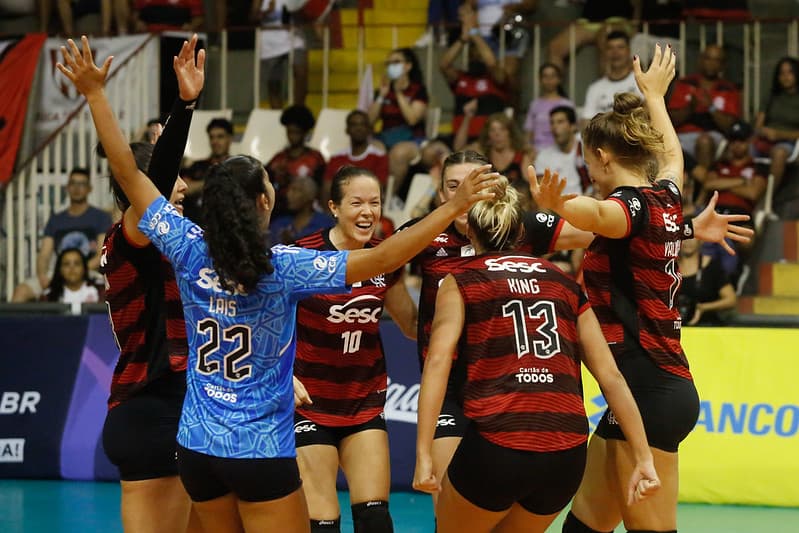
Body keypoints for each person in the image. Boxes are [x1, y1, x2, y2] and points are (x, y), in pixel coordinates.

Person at [59, 34, 498, 532]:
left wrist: (97, 95)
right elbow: (383, 254)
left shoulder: (184, 247)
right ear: (264, 204)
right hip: (258, 449)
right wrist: (454, 207)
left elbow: (130, 175)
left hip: (198, 444)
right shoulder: (285, 265)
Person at [529, 44, 750, 533]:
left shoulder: (626, 207)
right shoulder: (667, 195)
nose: (587, 169)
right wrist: (654, 96)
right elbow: (671, 154)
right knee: (584, 525)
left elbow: (598, 215)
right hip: (644, 392)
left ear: (603, 157)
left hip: (650, 389)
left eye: (588, 160)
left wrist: (557, 203)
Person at [413, 176, 659, 533]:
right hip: (565, 455)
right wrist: (644, 457)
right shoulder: (563, 281)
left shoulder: (460, 278)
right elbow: (611, 377)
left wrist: (423, 456)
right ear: (519, 230)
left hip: (501, 445)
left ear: (471, 234)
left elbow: (437, 363)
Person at [97, 36, 202, 533]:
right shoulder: (134, 235)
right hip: (156, 407)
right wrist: (185, 105)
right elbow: (155, 185)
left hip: (151, 408)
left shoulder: (160, 243)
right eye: (173, 177)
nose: (182, 186)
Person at [292, 166, 418, 533]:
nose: (368, 212)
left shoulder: (385, 257)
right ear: (333, 206)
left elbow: (411, 324)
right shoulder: (301, 255)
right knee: (324, 524)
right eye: (357, 203)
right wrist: (281, 375)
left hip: (363, 401)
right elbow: (266, 325)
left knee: (375, 520)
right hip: (310, 406)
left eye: (375, 203)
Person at [12, 167, 112, 302]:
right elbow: (44, 254)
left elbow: (101, 254)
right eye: (73, 184)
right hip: (59, 272)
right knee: (21, 292)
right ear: (67, 188)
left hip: (90, 272)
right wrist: (42, 275)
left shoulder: (101, 217)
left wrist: (76, 270)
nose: (77, 188)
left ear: (89, 189)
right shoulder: (56, 220)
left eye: (82, 184)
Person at [440, 3, 510, 151]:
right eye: (472, 53)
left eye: (479, 53)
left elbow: (491, 63)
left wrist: (474, 33)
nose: (475, 56)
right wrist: (463, 39)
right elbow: (444, 65)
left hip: (489, 144)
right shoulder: (461, 79)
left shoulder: (496, 79)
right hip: (458, 142)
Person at [667, 44, 741, 172]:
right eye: (708, 58)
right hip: (683, 136)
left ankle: (702, 188)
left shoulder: (729, 89)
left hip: (714, 138)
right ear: (701, 61)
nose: (712, 63)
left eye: (717, 60)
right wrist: (691, 107)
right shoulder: (684, 83)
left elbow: (729, 126)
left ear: (723, 65)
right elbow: (671, 120)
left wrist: (711, 107)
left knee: (704, 141)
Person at [367, 48, 429, 200]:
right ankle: (371, 195)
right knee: (371, 149)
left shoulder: (418, 90)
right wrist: (381, 96)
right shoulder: (383, 90)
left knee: (398, 153)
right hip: (385, 136)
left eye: (396, 62)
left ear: (408, 66)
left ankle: (388, 198)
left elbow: (412, 119)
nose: (391, 67)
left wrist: (399, 93)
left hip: (412, 139)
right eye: (389, 63)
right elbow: (369, 122)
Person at [266, 104, 327, 217]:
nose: (292, 136)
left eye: (296, 132)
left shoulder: (315, 158)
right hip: (279, 213)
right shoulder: (278, 159)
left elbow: (322, 188)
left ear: (305, 133)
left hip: (308, 212)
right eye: (289, 132)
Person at [321, 110, 389, 206]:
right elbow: (327, 190)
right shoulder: (336, 158)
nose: (358, 128)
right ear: (347, 130)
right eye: (354, 125)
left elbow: (378, 190)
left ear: (369, 129)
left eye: (362, 124)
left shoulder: (379, 157)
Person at [754, 56, 799, 191]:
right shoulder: (772, 95)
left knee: (779, 152)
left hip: (790, 142)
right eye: (782, 73)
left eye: (790, 72)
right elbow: (758, 125)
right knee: (737, 148)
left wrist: (779, 135)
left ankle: (767, 199)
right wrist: (763, 131)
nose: (785, 77)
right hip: (765, 139)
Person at [580, 30, 642, 129]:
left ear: (628, 51)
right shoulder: (595, 88)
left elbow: (649, 113)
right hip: (603, 140)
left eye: (620, 47)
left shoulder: (641, 81)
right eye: (610, 48)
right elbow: (586, 122)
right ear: (605, 53)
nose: (615, 52)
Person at [181, 117, 234, 225]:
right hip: (197, 221)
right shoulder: (198, 166)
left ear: (230, 138)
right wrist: (214, 181)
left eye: (220, 137)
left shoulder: (236, 166)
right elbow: (184, 189)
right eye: (212, 137)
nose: (215, 141)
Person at [677, 235, 737, 326]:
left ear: (701, 240)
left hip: (707, 328)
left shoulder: (712, 267)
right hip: (673, 330)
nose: (688, 242)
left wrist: (703, 308)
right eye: (684, 238)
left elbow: (731, 300)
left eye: (692, 237)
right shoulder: (668, 267)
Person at [534, 105, 585, 197]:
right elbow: (543, 192)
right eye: (552, 123)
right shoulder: (543, 156)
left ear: (573, 126)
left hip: (588, 202)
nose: (554, 127)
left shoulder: (586, 148)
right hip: (557, 207)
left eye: (560, 122)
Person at [523, 63, 575, 151]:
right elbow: (528, 133)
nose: (549, 80)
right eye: (545, 76)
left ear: (559, 79)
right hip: (537, 151)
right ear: (540, 79)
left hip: (560, 150)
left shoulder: (567, 104)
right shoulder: (535, 105)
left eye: (552, 76)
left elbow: (573, 131)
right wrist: (529, 149)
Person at [269, 176, 335, 245]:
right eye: (289, 190)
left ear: (310, 196)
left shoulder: (325, 224)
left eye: (295, 190)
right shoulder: (278, 224)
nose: (289, 195)